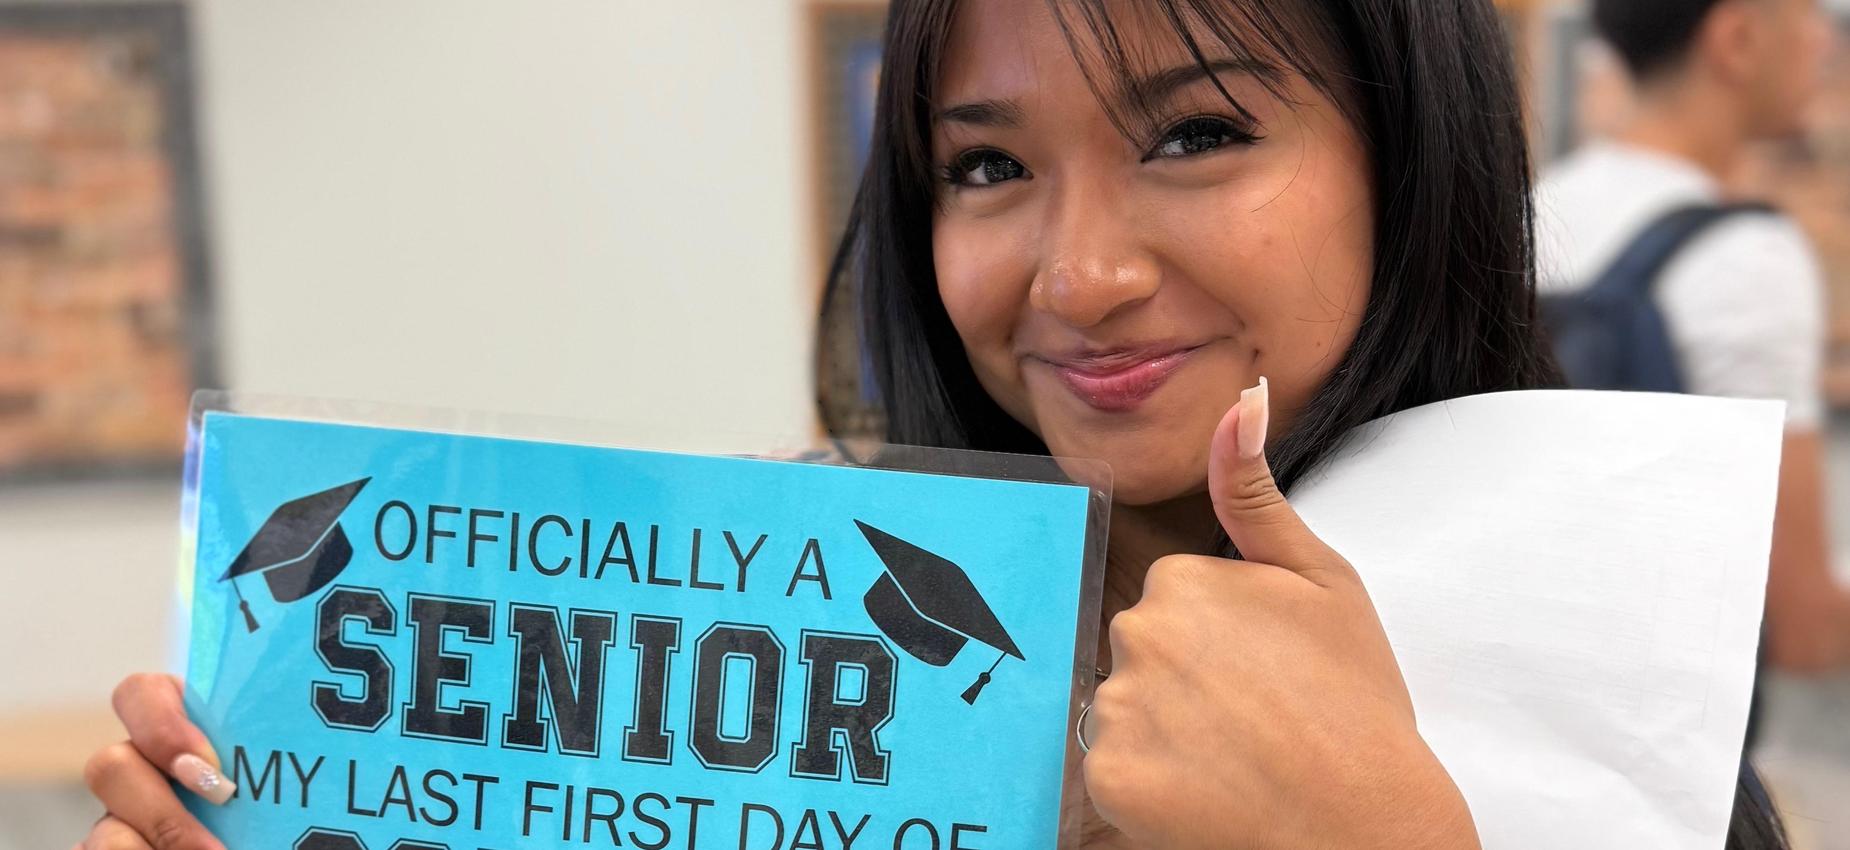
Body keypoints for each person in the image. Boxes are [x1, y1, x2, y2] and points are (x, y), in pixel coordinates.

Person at [77, 0, 1789, 847]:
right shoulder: (777, 654)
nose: (1082, 271)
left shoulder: (1626, 733)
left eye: (1194, 134)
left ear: (1410, 162)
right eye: (985, 167)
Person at [1536, 0, 1850, 675]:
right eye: (1807, 20)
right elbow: (1802, 630)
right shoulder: (1748, 257)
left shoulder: (1541, 204)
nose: (1825, 42)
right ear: (1736, 41)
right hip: (1662, 733)